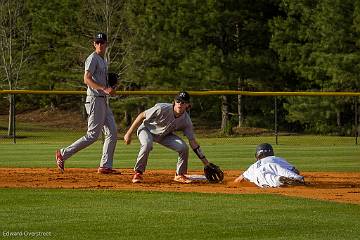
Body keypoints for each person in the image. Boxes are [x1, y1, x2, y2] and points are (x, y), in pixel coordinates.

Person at [55, 32, 118, 174]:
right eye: (98, 42)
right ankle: (63, 154)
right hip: (95, 99)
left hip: (102, 100)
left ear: (106, 44)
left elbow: (102, 82)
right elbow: (87, 79)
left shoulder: (103, 60)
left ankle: (105, 166)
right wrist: (104, 88)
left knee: (112, 132)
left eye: (102, 42)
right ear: (94, 44)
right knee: (92, 135)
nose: (100, 45)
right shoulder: (93, 58)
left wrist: (110, 87)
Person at [124, 91, 213, 184]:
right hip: (147, 130)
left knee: (183, 148)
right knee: (147, 144)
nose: (180, 104)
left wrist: (206, 163)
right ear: (174, 102)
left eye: (183, 102)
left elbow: (192, 141)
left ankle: (179, 175)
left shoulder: (186, 121)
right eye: (178, 101)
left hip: (164, 135)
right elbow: (142, 115)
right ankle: (138, 173)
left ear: (187, 105)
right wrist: (129, 133)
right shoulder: (162, 108)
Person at [234, 143, 305, 187]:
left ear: (259, 154)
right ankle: (297, 179)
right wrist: (295, 173)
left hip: (258, 176)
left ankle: (279, 180)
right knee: (280, 170)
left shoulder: (253, 166)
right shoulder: (275, 158)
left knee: (270, 179)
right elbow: (295, 170)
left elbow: (239, 180)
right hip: (272, 166)